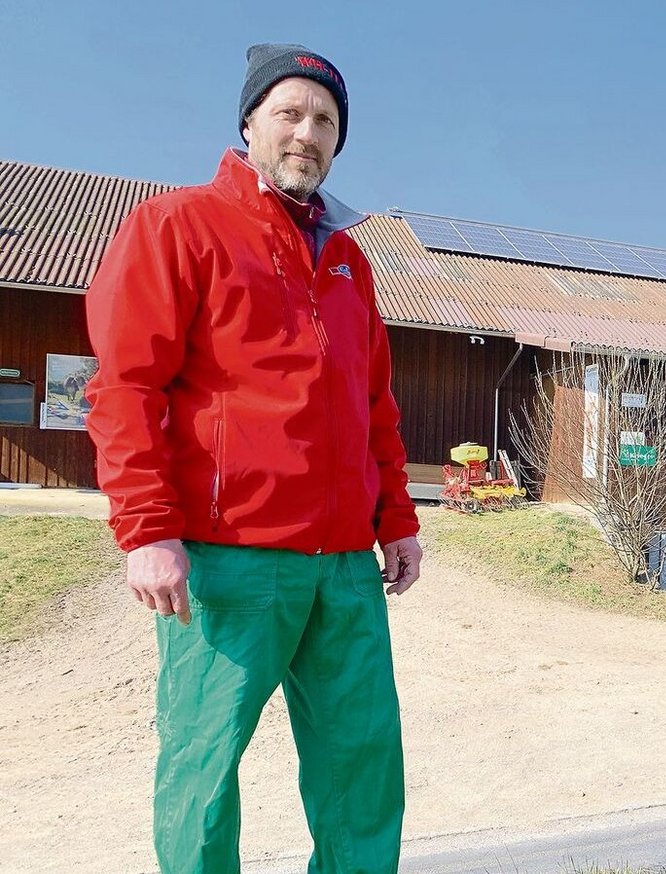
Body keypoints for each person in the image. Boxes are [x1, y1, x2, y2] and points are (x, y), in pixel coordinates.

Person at [84, 43, 421, 873]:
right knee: (203, 774)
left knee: (364, 773)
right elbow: (126, 389)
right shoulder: (176, 228)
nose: (307, 133)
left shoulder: (350, 260)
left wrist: (398, 523)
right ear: (248, 123)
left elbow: (373, 404)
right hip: (229, 563)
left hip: (343, 570)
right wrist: (147, 530)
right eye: (290, 113)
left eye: (326, 121)